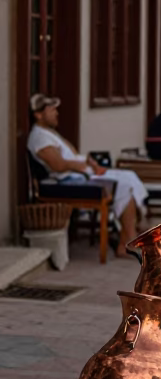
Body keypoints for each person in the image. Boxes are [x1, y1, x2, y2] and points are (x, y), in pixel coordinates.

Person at [27, 94, 147, 257]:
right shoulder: (39, 137)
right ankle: (126, 243)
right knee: (125, 185)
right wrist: (83, 166)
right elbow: (58, 165)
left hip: (80, 174)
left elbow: (71, 156)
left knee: (129, 176)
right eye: (52, 110)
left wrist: (90, 164)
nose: (56, 113)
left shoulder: (50, 133)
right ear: (38, 114)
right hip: (67, 180)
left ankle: (130, 232)